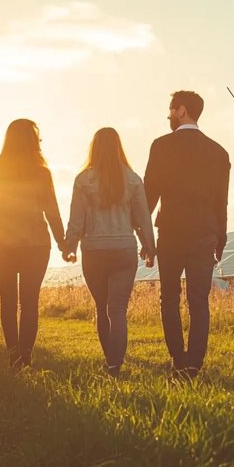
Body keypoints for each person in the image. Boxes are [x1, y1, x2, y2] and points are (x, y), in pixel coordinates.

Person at [143, 90, 231, 380]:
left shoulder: (161, 146)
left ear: (181, 110)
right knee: (199, 301)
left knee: (169, 298)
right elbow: (221, 201)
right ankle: (194, 364)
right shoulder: (219, 153)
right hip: (205, 234)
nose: (168, 115)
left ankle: (178, 360)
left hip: (170, 232)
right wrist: (221, 238)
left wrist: (143, 235)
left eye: (171, 109)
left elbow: (149, 195)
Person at [62, 128, 156, 377]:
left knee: (102, 307)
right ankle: (115, 364)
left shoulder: (83, 180)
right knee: (118, 310)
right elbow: (143, 218)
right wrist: (150, 248)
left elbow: (76, 220)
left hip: (94, 251)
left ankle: (110, 361)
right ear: (118, 147)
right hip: (124, 250)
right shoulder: (133, 179)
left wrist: (69, 246)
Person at [0, 119, 66, 369]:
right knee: (30, 301)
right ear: (33, 141)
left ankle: (13, 356)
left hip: (4, 246)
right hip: (36, 245)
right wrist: (63, 243)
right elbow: (52, 211)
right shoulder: (41, 173)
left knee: (7, 301)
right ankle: (25, 356)